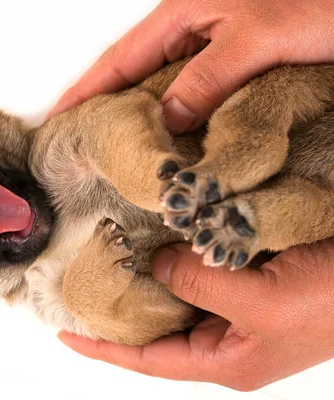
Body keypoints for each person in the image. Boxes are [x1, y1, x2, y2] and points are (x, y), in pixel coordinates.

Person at [48, 0, 334, 391]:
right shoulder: (54, 298)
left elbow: (112, 126)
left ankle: (225, 189)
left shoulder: (43, 154)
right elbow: (160, 313)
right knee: (308, 206)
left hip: (294, 99)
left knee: (261, 122)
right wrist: (87, 299)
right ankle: (245, 221)